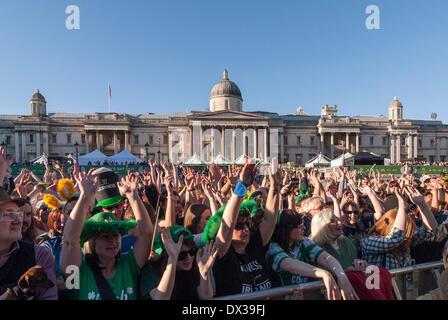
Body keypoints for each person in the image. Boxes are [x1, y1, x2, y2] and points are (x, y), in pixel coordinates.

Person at [61, 170, 154, 300]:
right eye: (105, 236)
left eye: (115, 235)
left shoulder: (129, 268)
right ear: (92, 241)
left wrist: (132, 195)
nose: (113, 241)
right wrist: (85, 197)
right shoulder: (78, 275)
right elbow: (70, 241)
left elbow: (147, 234)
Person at [212, 159, 280, 296]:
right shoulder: (223, 253)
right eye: (239, 226)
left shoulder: (254, 245)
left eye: (247, 224)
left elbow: (270, 219)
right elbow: (227, 225)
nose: (245, 229)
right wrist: (241, 185)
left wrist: (275, 185)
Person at [266, 208, 358, 300]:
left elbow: (325, 258)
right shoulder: (272, 247)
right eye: (299, 226)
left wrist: (341, 276)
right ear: (287, 228)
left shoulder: (303, 242)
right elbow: (288, 264)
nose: (304, 228)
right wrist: (323, 273)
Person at [310, 208, 394, 300]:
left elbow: (353, 261)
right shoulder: (314, 247)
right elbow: (318, 274)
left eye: (338, 220)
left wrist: (360, 263)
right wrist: (346, 271)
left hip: (356, 291)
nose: (339, 223)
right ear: (322, 226)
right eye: (333, 221)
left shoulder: (345, 241)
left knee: (380, 272)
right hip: (334, 294)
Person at [139, 225, 217, 300]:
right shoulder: (152, 269)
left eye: (192, 251)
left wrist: (204, 273)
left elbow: (206, 297)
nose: (189, 258)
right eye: (182, 255)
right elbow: (160, 298)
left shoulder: (195, 263)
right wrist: (172, 259)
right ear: (166, 255)